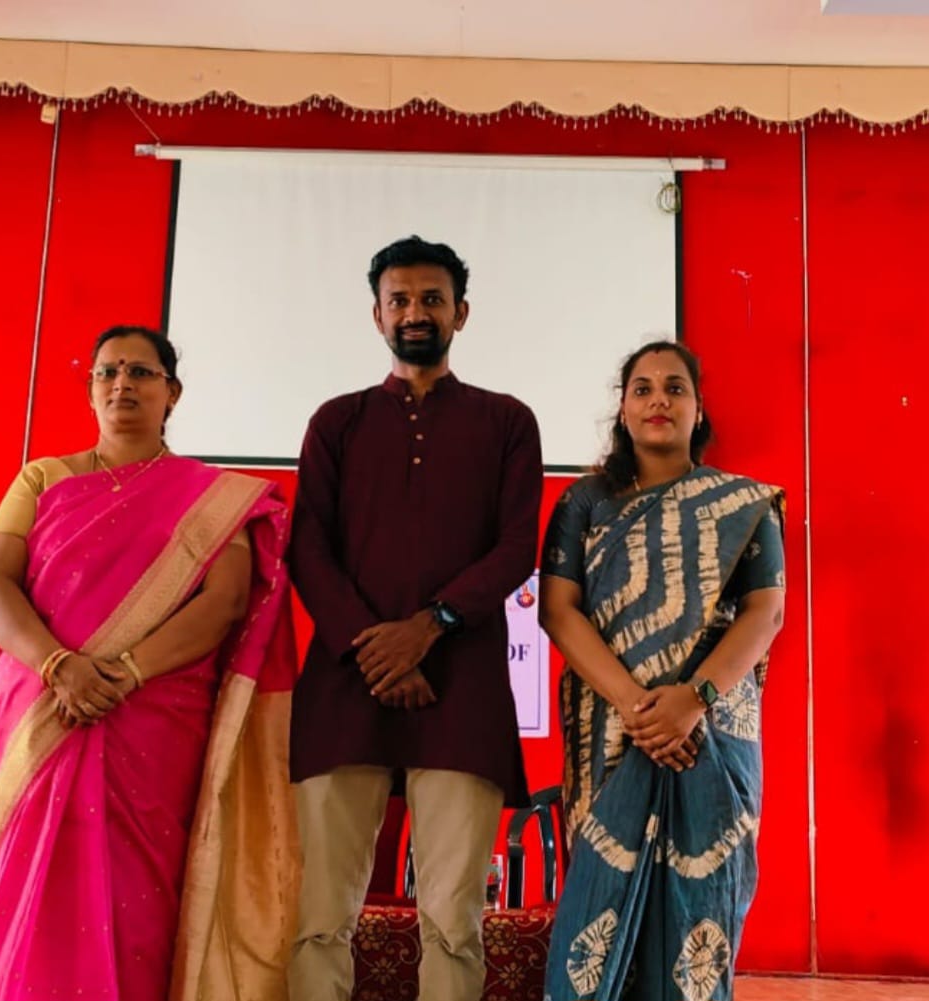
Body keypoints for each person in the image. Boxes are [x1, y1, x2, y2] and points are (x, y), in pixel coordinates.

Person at [0, 325, 299, 1001]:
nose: (122, 384)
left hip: (151, 719)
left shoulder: (210, 498)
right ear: (89, 389)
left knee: (135, 893)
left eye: (142, 373)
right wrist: (60, 667)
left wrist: (129, 672)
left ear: (173, 393)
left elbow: (225, 602)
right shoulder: (42, 477)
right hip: (45, 708)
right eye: (108, 371)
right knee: (33, 878)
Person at [287, 235, 543, 1001]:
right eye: (398, 299)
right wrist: (374, 652)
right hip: (345, 684)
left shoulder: (506, 421)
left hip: (461, 685)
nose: (414, 312)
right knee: (318, 913)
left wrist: (427, 627)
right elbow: (308, 548)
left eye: (431, 298)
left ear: (460, 312)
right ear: (376, 315)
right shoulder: (337, 421)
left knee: (454, 918)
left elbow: (514, 547)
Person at [538, 340, 785, 1001]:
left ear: (698, 409)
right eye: (642, 388)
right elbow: (559, 611)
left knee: (702, 913)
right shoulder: (584, 501)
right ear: (621, 409)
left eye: (675, 388)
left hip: (712, 733)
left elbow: (765, 612)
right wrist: (637, 706)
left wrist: (693, 699)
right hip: (613, 732)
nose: (658, 401)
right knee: (596, 914)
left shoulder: (741, 504)